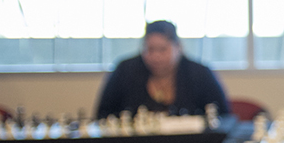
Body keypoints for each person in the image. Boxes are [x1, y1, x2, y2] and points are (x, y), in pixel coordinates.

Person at [95, 20, 230, 118]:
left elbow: (224, 118)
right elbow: (103, 115)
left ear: (178, 47)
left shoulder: (199, 73)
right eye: (150, 49)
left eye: (162, 49)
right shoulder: (125, 71)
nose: (156, 57)